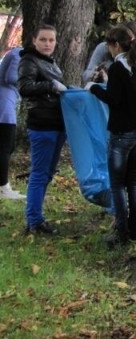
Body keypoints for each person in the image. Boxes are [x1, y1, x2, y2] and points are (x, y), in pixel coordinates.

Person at [85, 25, 136, 246]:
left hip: (122, 134)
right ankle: (135, 229)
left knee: (117, 184)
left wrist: (94, 87)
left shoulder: (117, 68)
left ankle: (121, 232)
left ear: (115, 45)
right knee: (134, 181)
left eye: (109, 46)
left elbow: (113, 99)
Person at [17, 25, 68, 235]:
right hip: (42, 124)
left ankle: (36, 217)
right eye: (43, 40)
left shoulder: (50, 62)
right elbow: (24, 87)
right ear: (34, 41)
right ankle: (34, 221)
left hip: (57, 124)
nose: (48, 44)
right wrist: (50, 86)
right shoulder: (29, 60)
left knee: (46, 174)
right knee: (39, 174)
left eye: (51, 40)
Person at [81, 21, 136, 85]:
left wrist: (106, 81)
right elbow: (86, 75)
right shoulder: (104, 48)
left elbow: (132, 87)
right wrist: (94, 73)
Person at [0, 47, 26, 199]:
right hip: (4, 104)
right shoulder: (19, 53)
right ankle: (3, 188)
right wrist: (31, 81)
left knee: (8, 147)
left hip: (7, 102)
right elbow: (10, 77)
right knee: (5, 146)